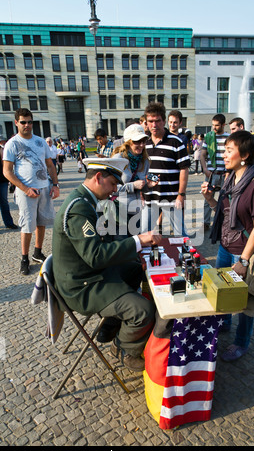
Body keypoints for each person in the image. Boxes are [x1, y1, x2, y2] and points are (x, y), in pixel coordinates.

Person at [52, 157, 162, 372]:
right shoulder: (79, 208)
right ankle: (123, 349)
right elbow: (95, 256)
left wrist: (136, 245)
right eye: (112, 184)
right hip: (81, 286)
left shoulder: (87, 201)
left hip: (88, 273)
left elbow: (105, 239)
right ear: (98, 177)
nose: (114, 191)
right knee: (143, 310)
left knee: (134, 269)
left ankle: (111, 324)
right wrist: (138, 241)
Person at [201, 130, 254, 361]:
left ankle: (241, 342)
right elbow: (224, 212)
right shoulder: (229, 178)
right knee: (222, 291)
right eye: (225, 150)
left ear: (245, 155)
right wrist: (209, 199)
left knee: (245, 301)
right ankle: (223, 323)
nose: (224, 155)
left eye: (229, 150)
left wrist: (244, 260)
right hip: (225, 246)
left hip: (243, 251)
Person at [3, 108, 59, 275]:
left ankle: (37, 251)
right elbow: (7, 171)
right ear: (16, 123)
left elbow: (50, 164)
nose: (27, 125)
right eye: (23, 122)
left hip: (44, 187)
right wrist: (25, 189)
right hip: (25, 190)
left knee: (41, 222)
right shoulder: (12, 144)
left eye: (29, 122)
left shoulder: (41, 141)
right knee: (27, 225)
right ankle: (24, 257)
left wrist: (55, 184)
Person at [141, 102, 190, 236]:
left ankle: (186, 255)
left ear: (163, 121)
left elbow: (184, 170)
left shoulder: (176, 142)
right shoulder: (144, 143)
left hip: (171, 197)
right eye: (150, 121)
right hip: (149, 197)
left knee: (180, 234)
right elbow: (145, 171)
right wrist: (142, 191)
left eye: (157, 121)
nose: (154, 125)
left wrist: (181, 195)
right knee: (145, 233)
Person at [111, 123, 156, 236]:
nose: (141, 145)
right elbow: (110, 188)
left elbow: (141, 187)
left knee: (136, 245)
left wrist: (148, 186)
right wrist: (132, 185)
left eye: (144, 141)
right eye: (137, 141)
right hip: (118, 212)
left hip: (136, 211)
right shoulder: (118, 159)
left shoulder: (144, 160)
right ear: (128, 142)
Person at [200, 114, 229, 231]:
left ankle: (223, 222)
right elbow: (202, 154)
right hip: (211, 173)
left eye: (217, 125)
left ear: (223, 125)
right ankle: (206, 222)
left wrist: (228, 172)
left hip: (224, 173)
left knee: (224, 199)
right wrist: (205, 169)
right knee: (207, 197)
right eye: (213, 125)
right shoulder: (209, 136)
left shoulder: (229, 137)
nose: (214, 128)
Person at [0, 135, 18, 229]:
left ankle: (9, 223)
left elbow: (7, 166)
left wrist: (11, 180)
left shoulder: (2, 150)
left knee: (4, 202)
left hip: (2, 180)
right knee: (4, 202)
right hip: (3, 180)